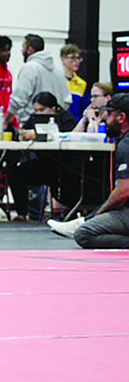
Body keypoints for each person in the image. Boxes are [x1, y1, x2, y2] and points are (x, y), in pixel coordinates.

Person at [47, 93, 129, 245]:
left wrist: (99, 214)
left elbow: (123, 192)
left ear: (121, 117)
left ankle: (84, 222)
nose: (105, 119)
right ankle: (85, 220)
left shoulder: (126, 146)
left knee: (84, 234)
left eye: (109, 114)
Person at [7, 91, 81, 221]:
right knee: (14, 170)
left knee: (69, 175)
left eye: (42, 110)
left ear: (53, 108)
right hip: (43, 163)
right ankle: (21, 213)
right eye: (36, 110)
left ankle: (70, 210)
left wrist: (38, 135)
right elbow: (24, 131)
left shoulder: (66, 119)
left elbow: (67, 137)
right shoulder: (34, 118)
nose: (39, 113)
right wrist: (23, 134)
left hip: (64, 164)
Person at [9, 34, 71, 126]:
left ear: (30, 49)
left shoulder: (29, 68)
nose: (22, 51)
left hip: (31, 123)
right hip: (56, 124)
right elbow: (67, 100)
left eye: (23, 47)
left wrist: (7, 119)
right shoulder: (59, 68)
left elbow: (19, 99)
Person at [60, 44, 87, 122]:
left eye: (78, 58)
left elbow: (83, 107)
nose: (76, 61)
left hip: (76, 122)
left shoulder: (82, 83)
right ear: (63, 59)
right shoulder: (58, 80)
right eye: (72, 58)